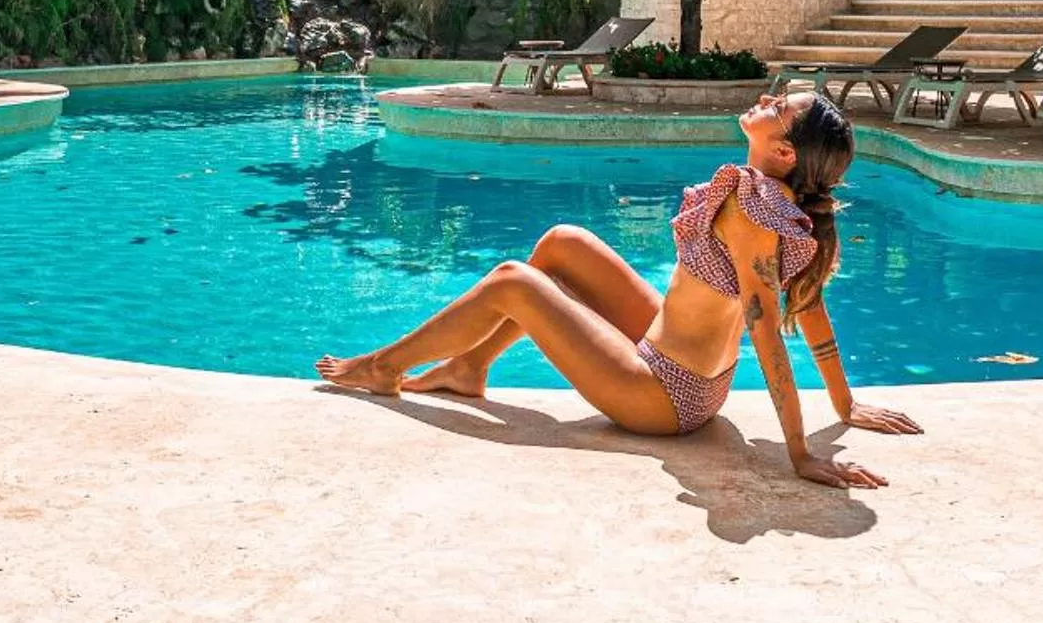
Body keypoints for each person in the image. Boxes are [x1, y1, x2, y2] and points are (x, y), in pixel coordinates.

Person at [316, 90, 923, 488]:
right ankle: (470, 367)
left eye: (779, 107)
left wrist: (800, 455)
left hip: (667, 398)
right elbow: (811, 307)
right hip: (676, 360)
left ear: (784, 150)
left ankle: (383, 367)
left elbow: (770, 333)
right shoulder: (779, 205)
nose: (767, 98)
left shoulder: (752, 209)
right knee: (562, 242)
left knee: (512, 282)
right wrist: (845, 407)